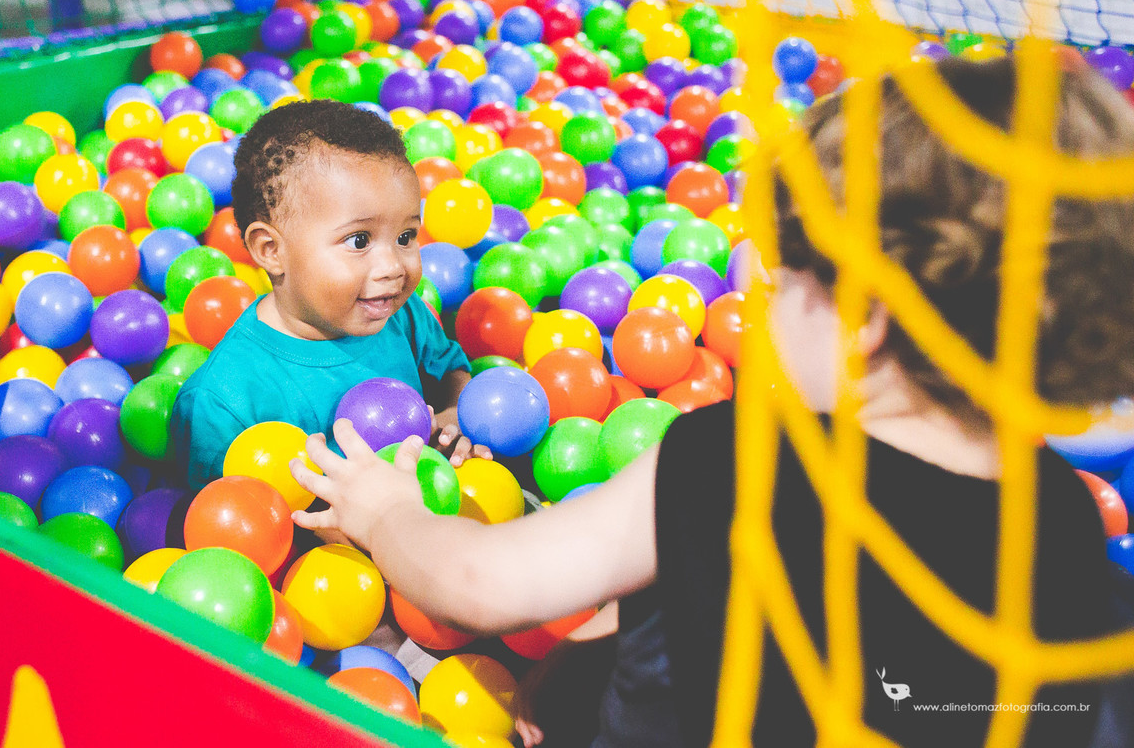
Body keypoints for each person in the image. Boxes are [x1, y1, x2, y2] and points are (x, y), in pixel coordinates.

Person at [288, 56, 1134, 747]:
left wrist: (389, 513)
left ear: (866, 317)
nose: (758, 292)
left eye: (787, 271)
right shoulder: (1060, 515)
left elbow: (482, 582)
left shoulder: (739, 458)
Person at [172, 100, 489, 488]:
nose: (393, 266)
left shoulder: (399, 314)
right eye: (359, 240)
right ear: (271, 250)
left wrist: (457, 412)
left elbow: (449, 370)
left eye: (406, 236)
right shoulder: (224, 401)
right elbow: (224, 525)